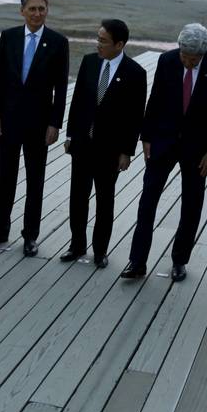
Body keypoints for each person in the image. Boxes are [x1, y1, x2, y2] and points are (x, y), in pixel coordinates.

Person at [121, 23, 207, 282]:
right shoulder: (167, 60)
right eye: (184, 56)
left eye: (193, 59)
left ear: (203, 54)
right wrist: (146, 136)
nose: (188, 62)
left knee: (192, 205)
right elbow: (156, 99)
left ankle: (179, 260)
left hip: (198, 148)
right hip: (162, 142)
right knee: (147, 201)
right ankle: (137, 261)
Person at [0, 0, 69, 257]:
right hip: (9, 119)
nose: (37, 13)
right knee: (5, 177)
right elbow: (0, 79)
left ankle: (30, 236)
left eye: (42, 8)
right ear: (22, 11)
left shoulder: (57, 42)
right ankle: (0, 230)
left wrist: (55, 123)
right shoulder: (9, 37)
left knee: (35, 180)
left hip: (40, 124)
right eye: (32, 9)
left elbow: (61, 88)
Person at [61, 19, 147, 269]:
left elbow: (135, 116)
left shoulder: (135, 73)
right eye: (97, 38)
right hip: (82, 144)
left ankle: (100, 250)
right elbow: (77, 102)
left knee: (104, 200)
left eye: (103, 40)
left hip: (110, 150)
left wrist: (127, 151)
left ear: (119, 44)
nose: (97, 44)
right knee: (77, 197)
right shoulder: (89, 62)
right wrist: (70, 135)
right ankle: (77, 245)